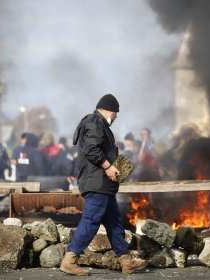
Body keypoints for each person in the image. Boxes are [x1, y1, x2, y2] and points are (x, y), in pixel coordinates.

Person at [59, 94, 147, 276]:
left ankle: (126, 261)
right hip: (97, 183)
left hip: (102, 185)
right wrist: (108, 166)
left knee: (114, 222)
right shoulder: (95, 122)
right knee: (91, 220)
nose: (116, 117)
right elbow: (91, 149)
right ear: (108, 110)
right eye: (115, 113)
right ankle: (70, 259)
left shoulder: (97, 123)